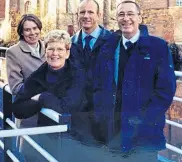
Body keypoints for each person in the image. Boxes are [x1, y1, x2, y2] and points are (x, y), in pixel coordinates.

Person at [92, 1, 176, 161]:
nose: (126, 18)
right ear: (116, 18)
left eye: (130, 14)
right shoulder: (108, 47)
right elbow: (98, 85)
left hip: (144, 135)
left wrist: (145, 119)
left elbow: (165, 90)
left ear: (140, 17)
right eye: (121, 14)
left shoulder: (157, 47)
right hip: (113, 133)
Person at [11, 30, 87, 161]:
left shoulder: (77, 74)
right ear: (45, 52)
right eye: (51, 49)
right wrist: (41, 102)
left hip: (75, 138)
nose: (55, 54)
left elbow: (66, 108)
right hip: (46, 138)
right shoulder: (38, 75)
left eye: (60, 49)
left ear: (67, 53)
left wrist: (41, 98)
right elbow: (18, 108)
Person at [70, 0, 111, 145]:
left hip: (106, 116)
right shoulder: (70, 44)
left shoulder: (113, 42)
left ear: (98, 15)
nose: (86, 16)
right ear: (77, 15)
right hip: (79, 115)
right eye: (82, 12)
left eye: (90, 12)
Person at [6, 14, 45, 95]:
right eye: (27, 30)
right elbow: (15, 87)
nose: (32, 33)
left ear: (39, 29)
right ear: (22, 33)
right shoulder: (13, 52)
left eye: (35, 28)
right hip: (32, 101)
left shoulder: (49, 47)